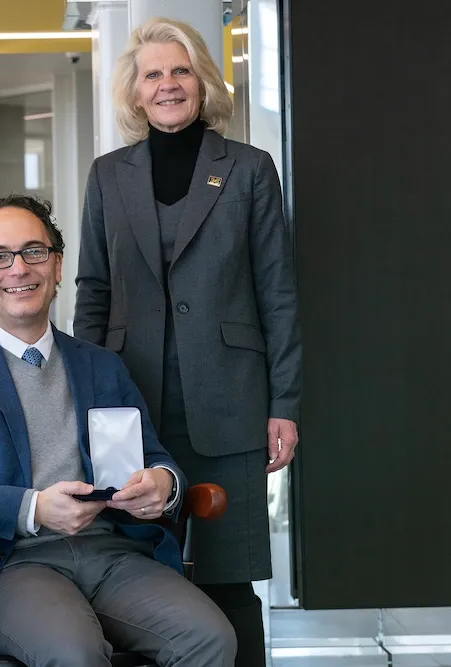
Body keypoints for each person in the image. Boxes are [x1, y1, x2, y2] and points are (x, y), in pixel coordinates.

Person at [0, 194, 237, 667]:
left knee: (210, 636)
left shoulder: (101, 365)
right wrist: (31, 507)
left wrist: (164, 483)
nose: (18, 269)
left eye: (34, 252)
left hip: (113, 553)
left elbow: (153, 456)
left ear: (56, 266)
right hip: (9, 564)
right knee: (74, 652)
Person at [73, 17, 302, 667]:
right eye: (154, 74)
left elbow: (277, 294)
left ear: (203, 83)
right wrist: (82, 398)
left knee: (228, 578)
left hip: (229, 400)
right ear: (135, 92)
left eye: (181, 71)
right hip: (125, 401)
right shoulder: (108, 175)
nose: (168, 84)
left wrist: (284, 401)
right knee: (129, 573)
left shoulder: (250, 170)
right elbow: (92, 290)